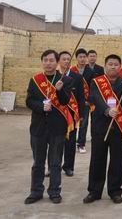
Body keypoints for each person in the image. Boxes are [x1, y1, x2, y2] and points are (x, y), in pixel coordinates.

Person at [83, 54, 122, 204]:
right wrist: (107, 110)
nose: (113, 67)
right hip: (100, 127)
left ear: (120, 67)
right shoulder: (96, 82)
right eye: (110, 64)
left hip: (119, 128)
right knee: (97, 160)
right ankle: (94, 191)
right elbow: (95, 98)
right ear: (105, 66)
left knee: (117, 161)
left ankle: (115, 191)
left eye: (115, 64)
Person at [24, 50, 73, 204]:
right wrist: (40, 106)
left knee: (55, 162)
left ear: (57, 62)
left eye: (51, 60)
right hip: (38, 128)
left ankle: (54, 192)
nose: (48, 63)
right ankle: (36, 191)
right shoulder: (35, 80)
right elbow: (29, 101)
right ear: (42, 62)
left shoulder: (64, 79)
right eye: (45, 60)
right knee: (38, 162)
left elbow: (65, 102)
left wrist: (59, 90)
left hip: (57, 128)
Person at [58, 51, 85, 177]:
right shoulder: (54, 76)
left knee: (70, 142)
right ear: (59, 61)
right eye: (63, 59)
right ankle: (54, 165)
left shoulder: (77, 77)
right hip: (57, 113)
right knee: (55, 142)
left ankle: (69, 166)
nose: (66, 61)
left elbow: (80, 97)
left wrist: (81, 114)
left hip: (72, 114)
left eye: (68, 59)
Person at [71, 48, 94, 154]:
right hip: (73, 102)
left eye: (84, 57)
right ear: (77, 58)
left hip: (85, 102)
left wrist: (88, 100)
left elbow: (93, 88)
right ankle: (71, 142)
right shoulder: (71, 71)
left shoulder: (91, 71)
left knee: (83, 123)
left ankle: (81, 144)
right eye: (80, 57)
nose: (83, 59)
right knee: (73, 122)